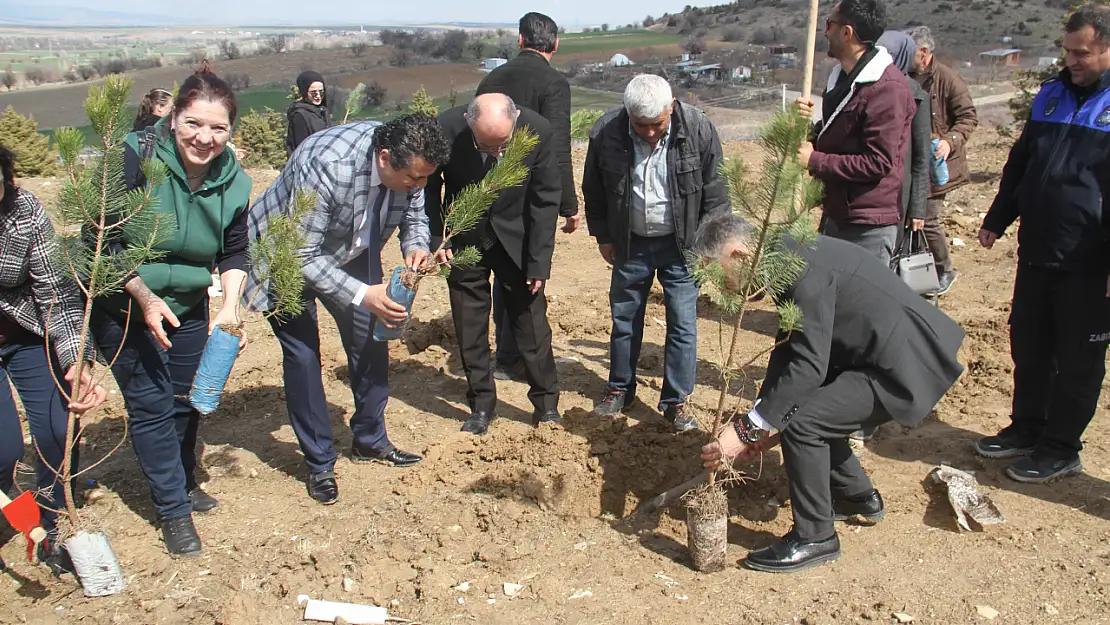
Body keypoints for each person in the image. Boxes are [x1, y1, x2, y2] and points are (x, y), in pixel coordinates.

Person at [695, 212, 965, 573]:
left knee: (804, 424)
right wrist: (761, 420)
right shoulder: (786, 257)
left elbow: (808, 368)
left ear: (742, 255)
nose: (720, 287)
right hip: (872, 355)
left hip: (903, 365)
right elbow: (790, 346)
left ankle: (815, 537)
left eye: (718, 273)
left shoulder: (801, 268)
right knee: (808, 411)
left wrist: (748, 429)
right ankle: (856, 496)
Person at [244, 114, 450, 503]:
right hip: (286, 253)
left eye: (426, 178)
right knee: (303, 354)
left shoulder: (415, 162)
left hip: (349, 245)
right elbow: (302, 253)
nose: (419, 186)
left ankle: (370, 440)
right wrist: (362, 294)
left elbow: (415, 215)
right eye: (413, 179)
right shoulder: (327, 164)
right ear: (385, 158)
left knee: (371, 338)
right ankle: (319, 463)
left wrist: (416, 246)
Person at [91, 65, 252, 557]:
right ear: (174, 118)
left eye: (218, 128)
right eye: (193, 124)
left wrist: (230, 308)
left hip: (187, 307)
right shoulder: (131, 159)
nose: (204, 138)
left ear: (230, 130)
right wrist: (144, 297)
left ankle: (182, 481)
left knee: (185, 401)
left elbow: (234, 250)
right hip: (124, 304)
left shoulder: (234, 181)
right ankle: (172, 511)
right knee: (151, 406)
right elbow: (101, 241)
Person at [974, 4, 1110, 484]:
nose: (1072, 60)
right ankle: (1027, 427)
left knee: (1077, 360)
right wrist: (998, 217)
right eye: (1067, 51)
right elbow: (1020, 164)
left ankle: (1061, 447)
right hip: (1038, 250)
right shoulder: (1050, 95)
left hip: (1090, 261)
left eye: (1083, 53)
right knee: (1029, 345)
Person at [582, 74, 728, 432]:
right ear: (628, 114)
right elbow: (594, 190)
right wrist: (603, 236)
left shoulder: (698, 130)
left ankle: (675, 400)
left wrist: (712, 245)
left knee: (683, 323)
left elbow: (716, 193)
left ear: (671, 108)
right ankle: (619, 387)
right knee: (625, 317)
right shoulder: (607, 132)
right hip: (630, 243)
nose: (648, 133)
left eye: (657, 125)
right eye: (640, 125)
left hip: (684, 245)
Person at [425, 93, 562, 435]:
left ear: (515, 118)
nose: (497, 154)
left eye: (502, 144)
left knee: (531, 326)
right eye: (486, 147)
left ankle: (546, 405)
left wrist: (538, 262)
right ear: (470, 124)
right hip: (463, 242)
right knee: (469, 328)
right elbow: (427, 185)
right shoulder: (445, 128)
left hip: (517, 240)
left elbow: (545, 200)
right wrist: (435, 236)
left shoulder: (538, 129)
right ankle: (481, 405)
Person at [0, 144, 106, 562]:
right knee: (4, 449)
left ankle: (52, 524)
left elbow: (56, 295)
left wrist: (75, 360)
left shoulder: (23, 211)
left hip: (26, 331)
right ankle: (15, 511)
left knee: (57, 433)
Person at [476, 11, 579, 383]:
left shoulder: (492, 78)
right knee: (528, 274)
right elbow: (558, 146)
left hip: (490, 189)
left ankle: (506, 354)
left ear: (520, 41)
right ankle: (511, 356)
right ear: (555, 44)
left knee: (506, 269)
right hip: (531, 192)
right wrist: (568, 205)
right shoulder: (554, 83)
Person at [796, 0, 915, 266]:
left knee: (860, 305)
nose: (825, 32)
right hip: (837, 213)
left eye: (829, 25)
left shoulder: (887, 88)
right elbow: (838, 136)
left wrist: (814, 160)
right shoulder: (842, 78)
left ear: (846, 33)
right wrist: (806, 129)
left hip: (866, 226)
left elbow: (877, 162)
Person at [909, 25, 978, 295]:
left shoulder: (948, 80)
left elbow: (968, 117)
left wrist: (950, 141)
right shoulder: (906, 75)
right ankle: (916, 270)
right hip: (914, 161)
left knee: (927, 218)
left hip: (938, 164)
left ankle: (944, 269)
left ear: (924, 53)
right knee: (911, 217)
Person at [286, 70, 333, 155]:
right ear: (304, 92)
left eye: (321, 92)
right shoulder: (300, 115)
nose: (318, 96)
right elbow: (301, 149)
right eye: (313, 93)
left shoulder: (323, 111)